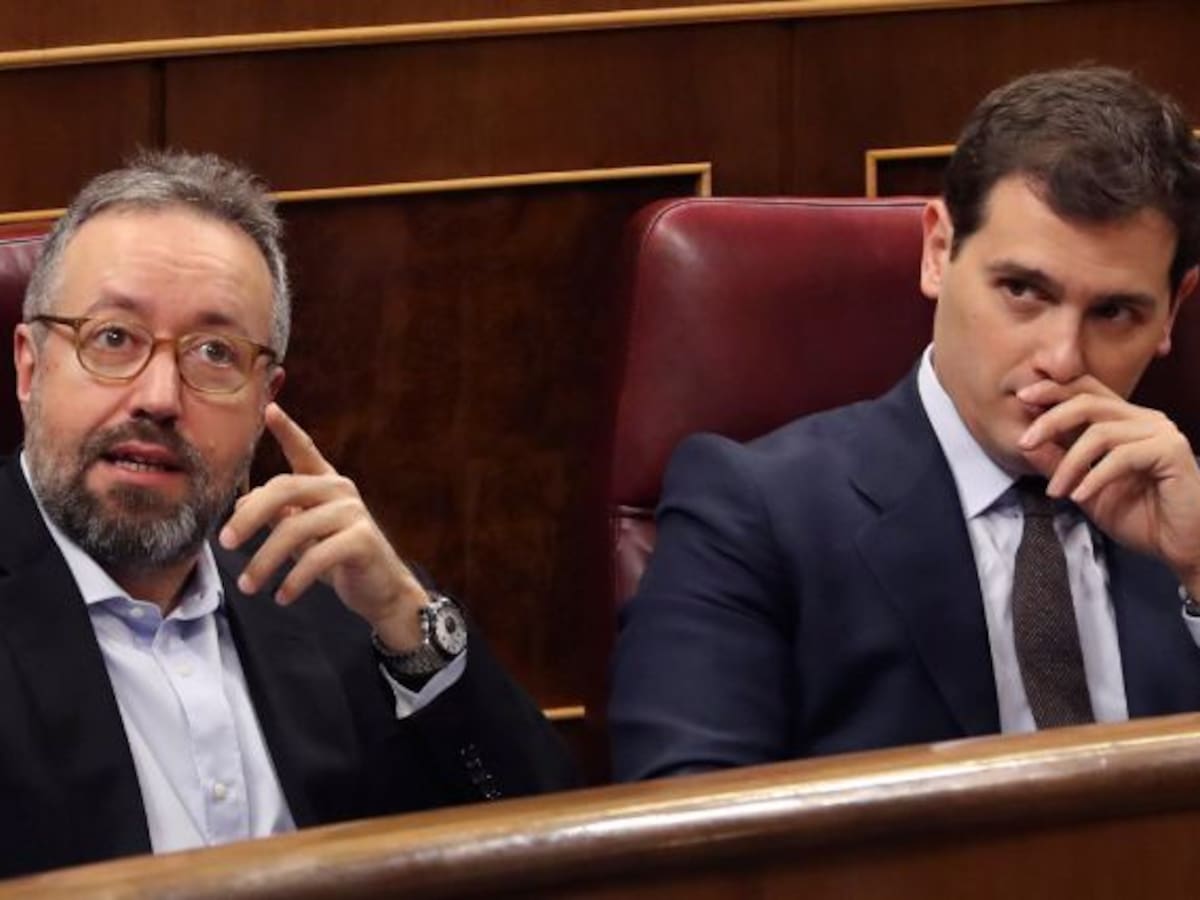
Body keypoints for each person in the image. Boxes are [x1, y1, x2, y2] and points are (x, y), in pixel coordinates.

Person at [609, 66, 1200, 780]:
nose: (1062, 358)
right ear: (939, 251)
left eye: (1114, 312)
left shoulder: (1189, 508)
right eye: (1022, 289)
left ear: (1172, 310)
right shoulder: (755, 512)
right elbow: (685, 816)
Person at [0, 151, 575, 877]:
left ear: (263, 399)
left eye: (215, 353)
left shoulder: (328, 593)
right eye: (113, 338)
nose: (159, 397)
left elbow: (558, 848)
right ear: (31, 367)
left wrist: (408, 623)